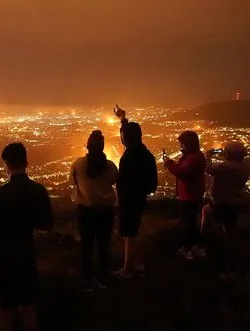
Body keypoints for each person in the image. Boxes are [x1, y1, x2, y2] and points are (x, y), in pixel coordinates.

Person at [0, 142, 53, 331]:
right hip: (27, 258)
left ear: (6, 165)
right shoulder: (39, 191)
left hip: (4, 261)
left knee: (5, 312)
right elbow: (47, 225)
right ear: (27, 163)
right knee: (29, 310)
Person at [111, 105, 158, 280]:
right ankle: (135, 264)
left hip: (129, 200)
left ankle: (127, 271)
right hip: (139, 198)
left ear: (127, 138)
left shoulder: (130, 157)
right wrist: (123, 120)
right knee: (134, 232)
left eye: (123, 135)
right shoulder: (144, 153)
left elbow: (122, 179)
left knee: (129, 235)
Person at [68, 130, 119, 291]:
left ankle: (87, 279)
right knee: (104, 245)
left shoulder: (78, 164)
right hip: (106, 211)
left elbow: (71, 182)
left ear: (88, 146)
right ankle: (104, 278)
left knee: (87, 245)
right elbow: (114, 180)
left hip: (86, 211)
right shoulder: (110, 166)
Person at [201, 142, 250, 275]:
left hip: (223, 201)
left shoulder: (227, 167)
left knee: (222, 224)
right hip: (233, 200)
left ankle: (214, 247)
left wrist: (207, 156)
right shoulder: (244, 166)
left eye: (226, 151)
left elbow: (208, 168)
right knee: (220, 219)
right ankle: (229, 249)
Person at [163, 130, 206, 260]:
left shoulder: (194, 159)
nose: (180, 146)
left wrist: (168, 162)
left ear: (187, 144)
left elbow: (181, 172)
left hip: (189, 196)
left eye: (182, 144)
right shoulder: (193, 155)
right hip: (191, 194)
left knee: (187, 223)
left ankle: (187, 248)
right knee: (191, 222)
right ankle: (195, 246)